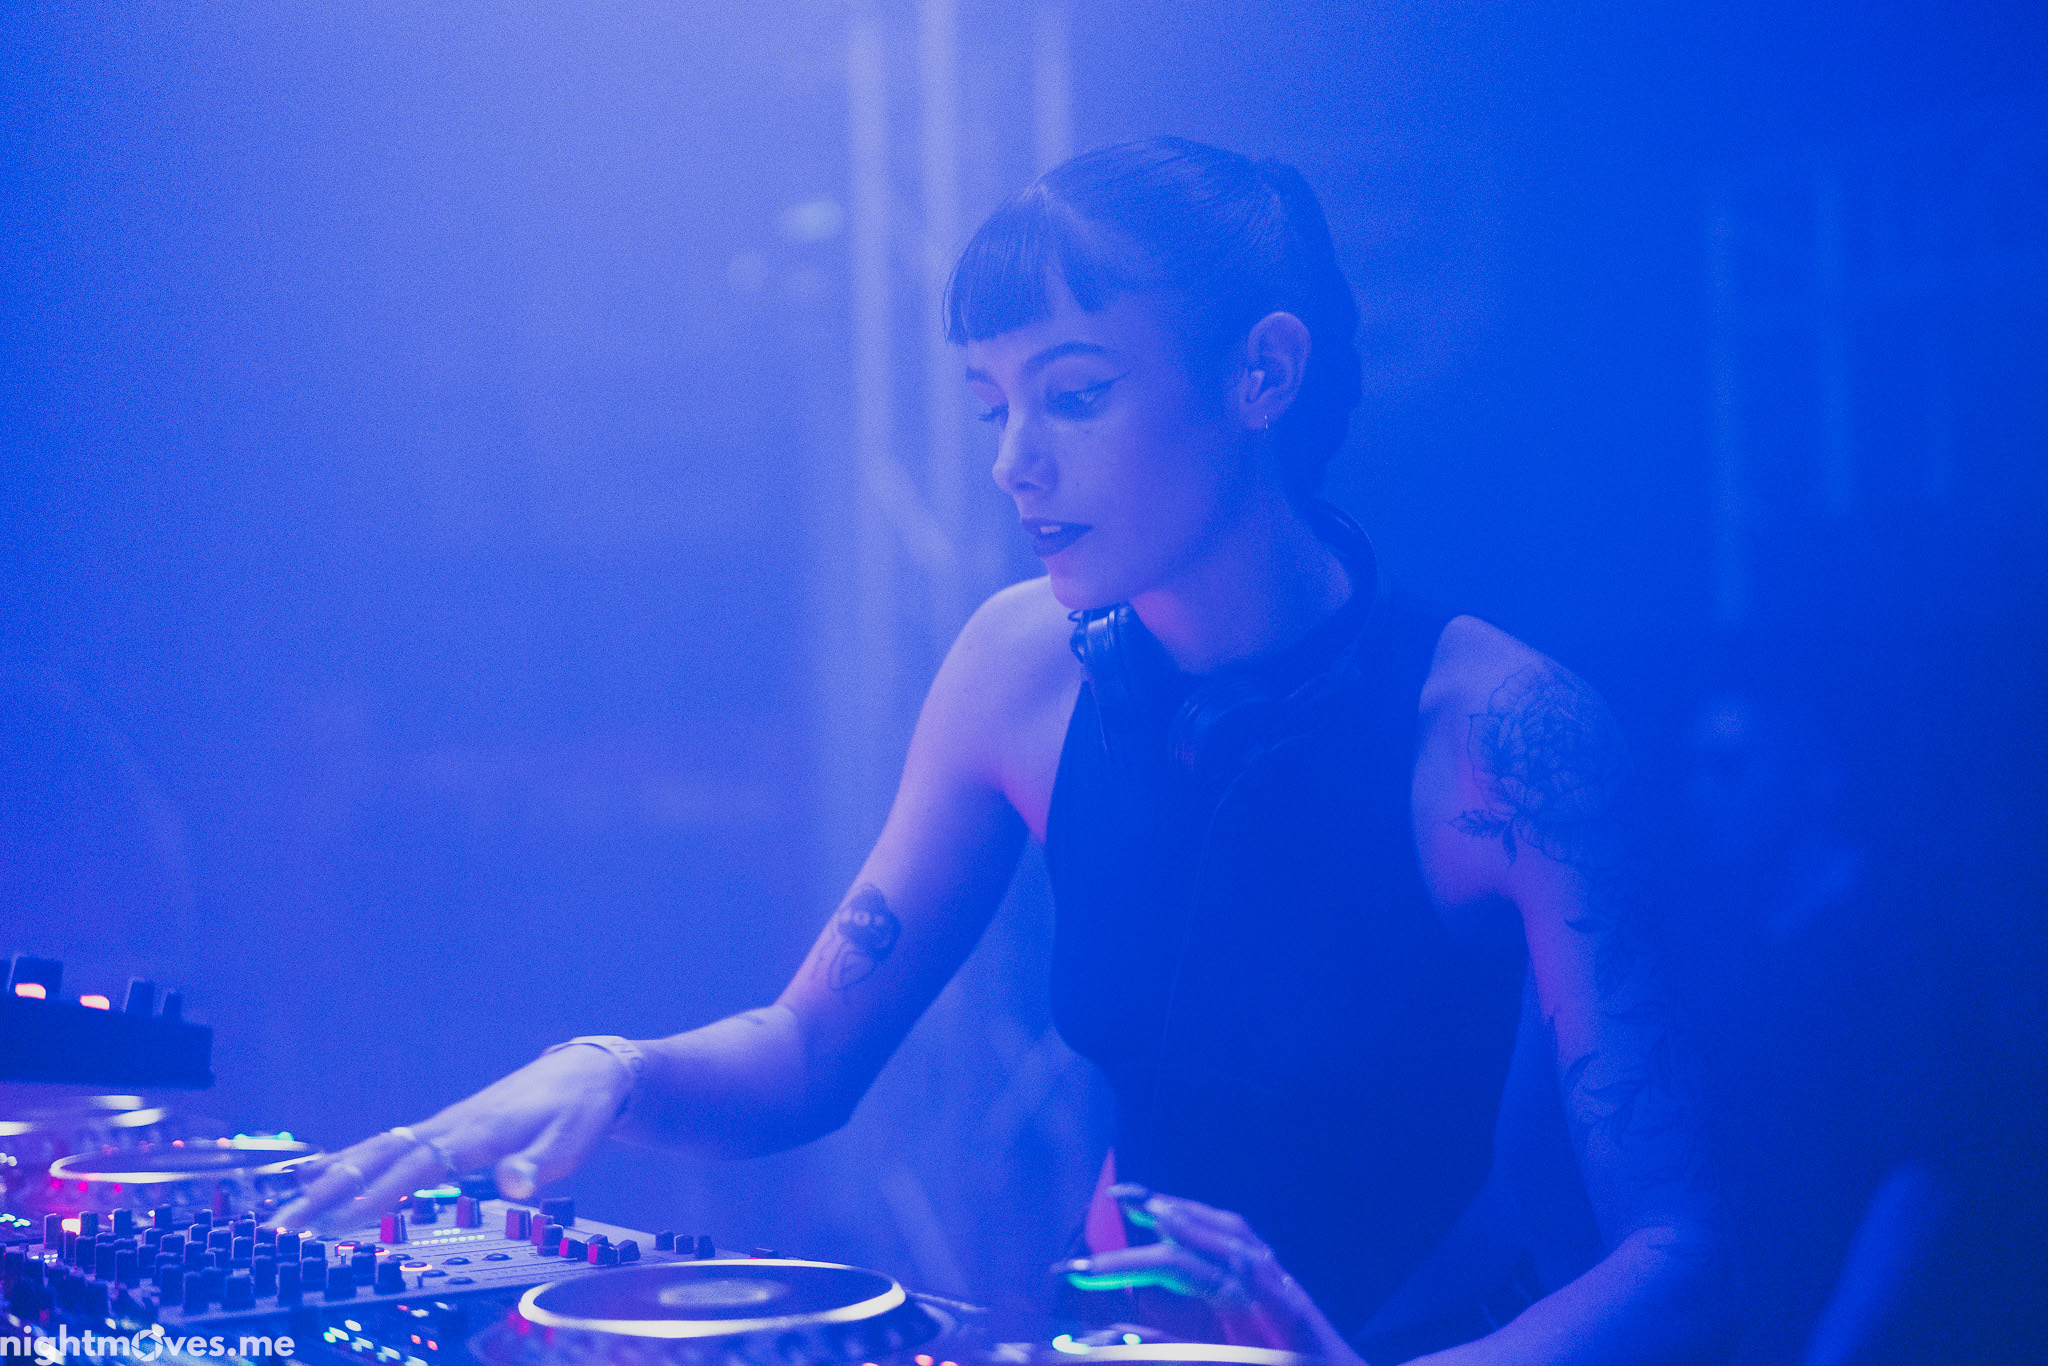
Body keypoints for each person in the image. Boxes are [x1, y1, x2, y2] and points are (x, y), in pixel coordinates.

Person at [280, 139, 1729, 1363]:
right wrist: (607, 1068)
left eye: (1075, 394)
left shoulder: (1507, 737)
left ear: (1263, 371)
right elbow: (806, 1052)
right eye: (992, 403)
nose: (1011, 461)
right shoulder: (1019, 665)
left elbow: (1683, 1253)